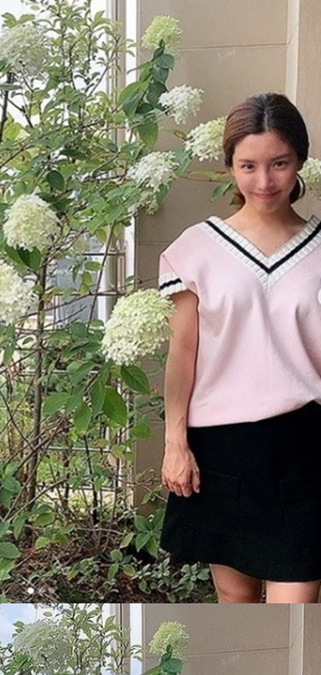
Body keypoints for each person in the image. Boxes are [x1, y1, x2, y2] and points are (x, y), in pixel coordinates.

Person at [158, 92, 321, 605]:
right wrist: (175, 442)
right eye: (248, 165)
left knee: (295, 602)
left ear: (300, 161)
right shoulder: (195, 250)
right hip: (221, 451)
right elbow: (182, 355)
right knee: (236, 603)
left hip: (306, 449)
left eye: (279, 163)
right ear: (230, 165)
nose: (265, 181)